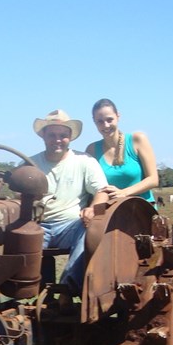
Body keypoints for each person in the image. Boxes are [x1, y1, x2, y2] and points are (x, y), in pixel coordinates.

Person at [29, 109, 109, 296]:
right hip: (38, 225)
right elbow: (18, 197)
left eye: (63, 135)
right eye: (52, 135)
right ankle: (29, 291)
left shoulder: (84, 161)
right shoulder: (30, 164)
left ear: (70, 137)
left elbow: (102, 191)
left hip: (71, 225)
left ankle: (67, 288)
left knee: (89, 230)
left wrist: (91, 209)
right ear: (43, 136)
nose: (57, 139)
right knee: (17, 236)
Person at [85, 98, 159, 204]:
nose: (106, 125)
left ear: (118, 116)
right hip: (110, 212)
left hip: (141, 209)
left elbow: (153, 179)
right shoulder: (92, 150)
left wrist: (124, 192)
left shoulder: (137, 140)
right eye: (100, 121)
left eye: (110, 120)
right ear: (94, 122)